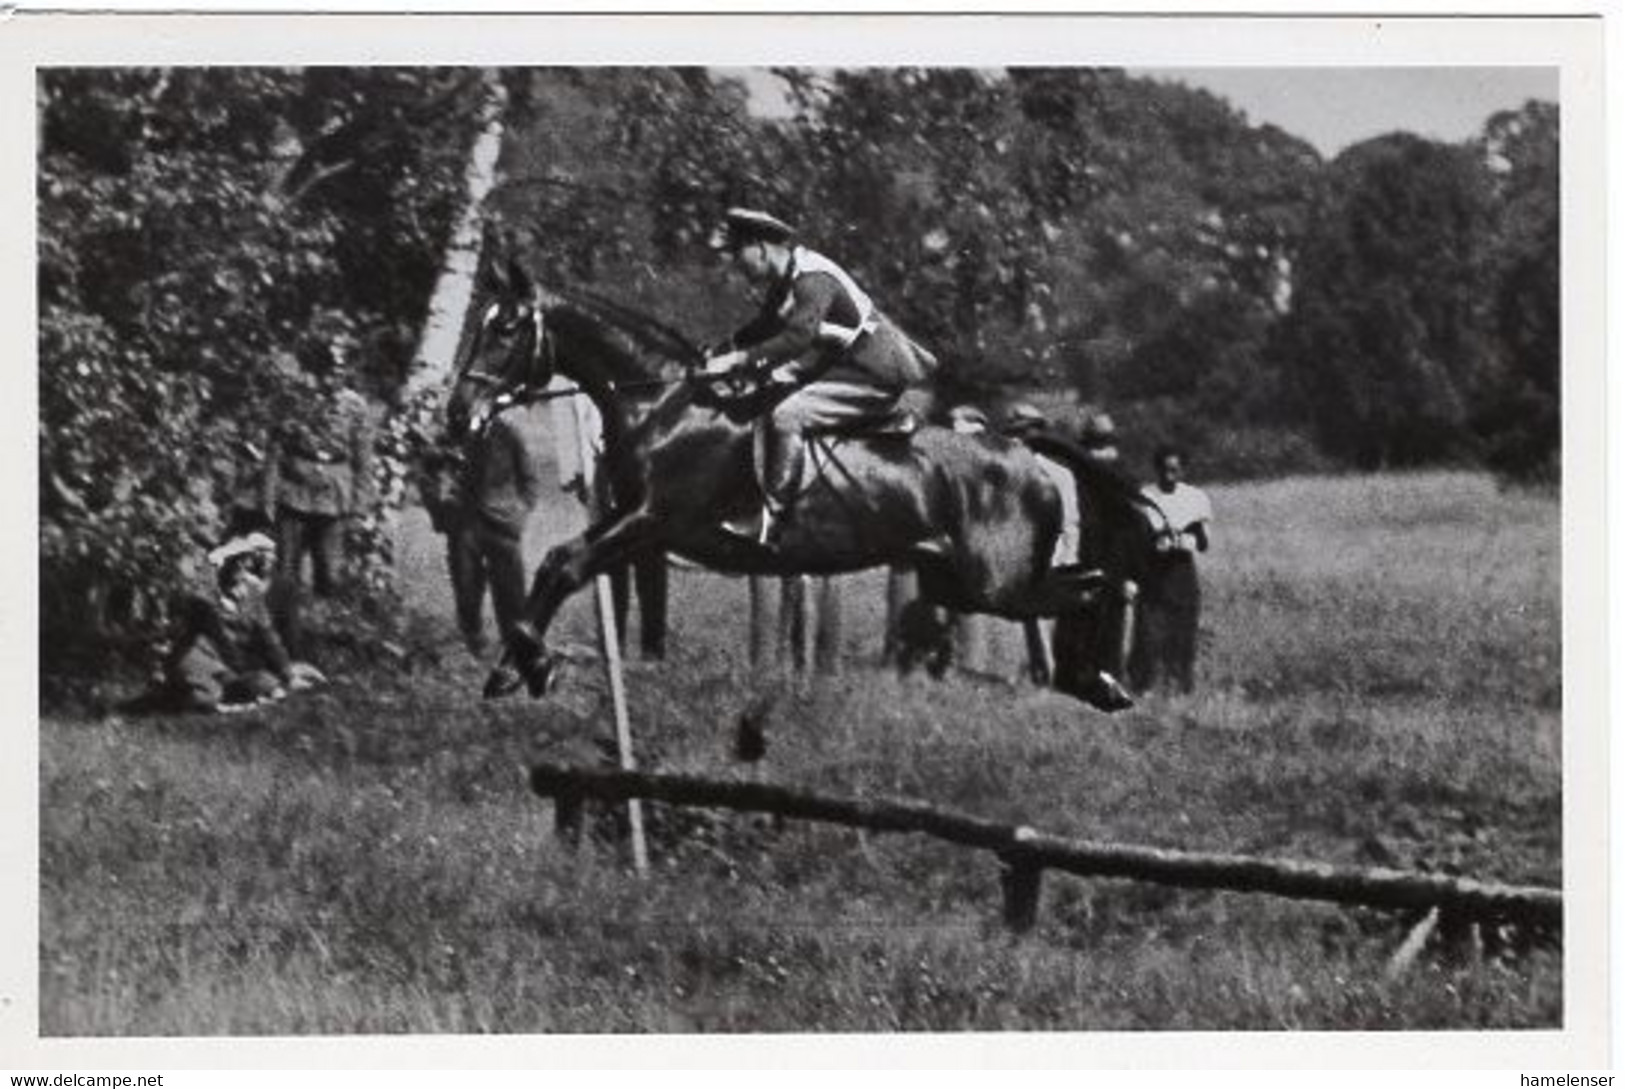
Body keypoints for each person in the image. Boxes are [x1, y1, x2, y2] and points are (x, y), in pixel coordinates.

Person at [704, 207, 935, 547]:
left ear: (761, 249)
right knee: (766, 395)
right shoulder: (787, 282)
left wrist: (737, 359)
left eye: (740, 256)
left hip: (877, 376)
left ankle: (773, 519)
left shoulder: (812, 279)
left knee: (786, 413)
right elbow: (765, 327)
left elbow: (798, 337)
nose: (740, 267)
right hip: (849, 367)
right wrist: (722, 349)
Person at [260, 336, 376, 652]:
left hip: (334, 499)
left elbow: (364, 461)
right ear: (317, 368)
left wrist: (359, 509)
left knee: (330, 573)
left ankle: (323, 639)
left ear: (346, 371)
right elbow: (275, 451)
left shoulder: (355, 407)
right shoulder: (294, 401)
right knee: (286, 573)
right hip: (293, 496)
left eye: (339, 369)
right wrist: (268, 497)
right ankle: (284, 641)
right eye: (328, 368)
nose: (333, 376)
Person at [158, 532, 324, 713]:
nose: (241, 566)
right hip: (199, 657)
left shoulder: (251, 591)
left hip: (231, 664)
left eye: (245, 561)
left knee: (266, 683)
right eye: (234, 561)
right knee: (206, 694)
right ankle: (193, 695)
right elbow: (215, 638)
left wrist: (288, 674)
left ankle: (231, 697)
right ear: (223, 563)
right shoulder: (205, 594)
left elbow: (267, 634)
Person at [1130, 445, 1213, 694]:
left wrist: (1186, 540)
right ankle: (1143, 686)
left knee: (1184, 632)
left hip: (1182, 571)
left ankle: (1181, 686)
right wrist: (1156, 544)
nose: (1169, 476)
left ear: (1183, 470)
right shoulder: (1146, 496)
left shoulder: (1195, 497)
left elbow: (1204, 541)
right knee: (1148, 632)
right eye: (1164, 470)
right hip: (1154, 572)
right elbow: (1139, 538)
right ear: (1157, 469)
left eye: (1175, 470)